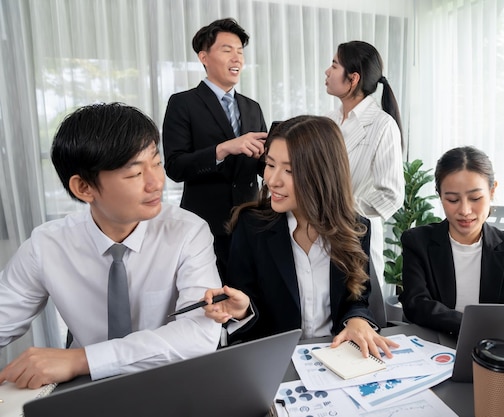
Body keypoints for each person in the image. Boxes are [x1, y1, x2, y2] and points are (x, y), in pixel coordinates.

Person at [0, 103, 222, 389]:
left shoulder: (188, 232)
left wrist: (82, 360)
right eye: (134, 174)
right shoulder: (46, 246)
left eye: (156, 163)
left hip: (167, 384)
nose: (156, 182)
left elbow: (199, 334)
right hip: (84, 394)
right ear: (84, 188)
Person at [203, 116, 399, 359]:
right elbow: (246, 309)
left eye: (289, 170)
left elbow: (357, 298)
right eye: (270, 164)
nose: (272, 180)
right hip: (277, 363)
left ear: (323, 174)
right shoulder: (251, 227)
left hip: (338, 358)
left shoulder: (356, 229)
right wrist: (243, 311)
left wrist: (357, 319)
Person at [399, 146, 504, 335]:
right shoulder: (418, 242)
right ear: (440, 196)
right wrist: (475, 326)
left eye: (475, 198)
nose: (465, 210)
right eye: (452, 200)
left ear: (492, 191)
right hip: (436, 343)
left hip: (497, 346)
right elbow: (415, 304)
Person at [162, 18, 267, 279]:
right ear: (203, 57)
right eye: (227, 50)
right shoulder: (182, 103)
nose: (237, 58)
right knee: (209, 299)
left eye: (240, 52)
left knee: (250, 297)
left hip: (250, 221)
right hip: (204, 224)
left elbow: (262, 165)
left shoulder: (252, 107)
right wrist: (223, 149)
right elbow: (175, 167)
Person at [324, 40, 404, 291]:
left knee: (360, 309)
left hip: (357, 234)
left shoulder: (382, 125)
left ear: (353, 78)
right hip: (321, 232)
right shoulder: (329, 121)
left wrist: (343, 208)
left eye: (335, 65)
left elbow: (390, 195)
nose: (327, 71)